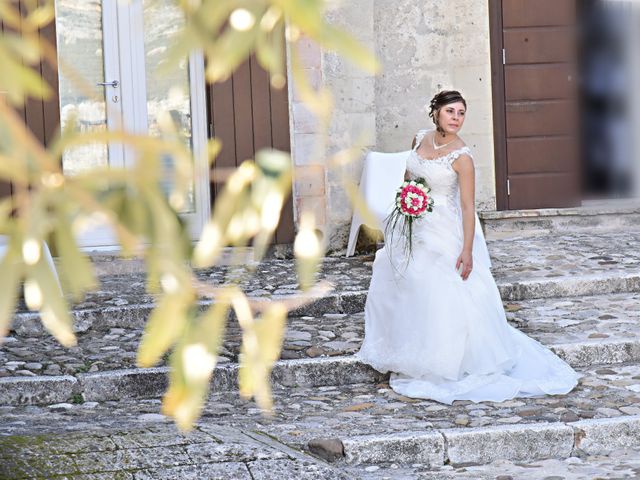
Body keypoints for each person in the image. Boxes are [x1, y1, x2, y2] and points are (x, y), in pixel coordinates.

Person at [355, 90, 581, 404]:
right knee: (402, 278)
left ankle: (443, 359)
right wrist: (407, 202)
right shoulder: (419, 138)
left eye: (461, 113)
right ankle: (403, 348)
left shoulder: (462, 156)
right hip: (414, 223)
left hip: (444, 228)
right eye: (451, 112)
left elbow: (466, 206)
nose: (457, 119)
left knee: (437, 286)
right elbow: (409, 178)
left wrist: (466, 250)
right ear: (435, 113)